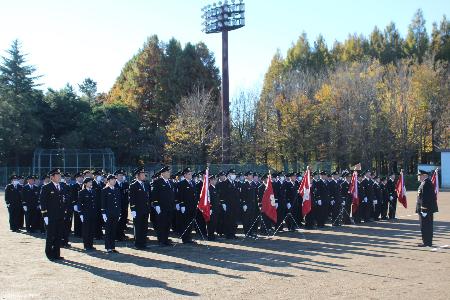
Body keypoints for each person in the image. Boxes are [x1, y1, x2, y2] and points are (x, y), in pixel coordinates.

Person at [40, 169, 66, 261]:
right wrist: (45, 215)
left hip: (59, 216)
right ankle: (49, 254)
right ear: (52, 177)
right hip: (50, 216)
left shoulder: (61, 186)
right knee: (50, 236)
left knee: (58, 236)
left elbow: (62, 201)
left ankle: (56, 254)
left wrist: (64, 213)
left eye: (60, 175)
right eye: (57, 175)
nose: (59, 177)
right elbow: (43, 202)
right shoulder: (46, 187)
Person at [151, 166, 176, 246]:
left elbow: (172, 195)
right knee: (161, 224)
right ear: (163, 173)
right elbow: (154, 195)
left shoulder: (170, 182)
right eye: (168, 172)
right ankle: (161, 240)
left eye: (169, 172)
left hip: (169, 207)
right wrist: (156, 204)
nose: (169, 173)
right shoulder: (157, 182)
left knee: (168, 224)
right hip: (161, 207)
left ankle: (165, 239)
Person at [129, 167, 151, 249]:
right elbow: (132, 199)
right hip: (138, 210)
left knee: (144, 227)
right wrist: (133, 210)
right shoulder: (133, 185)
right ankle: (138, 244)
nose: (144, 175)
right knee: (138, 227)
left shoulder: (145, 184)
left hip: (145, 209)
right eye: (142, 174)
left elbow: (148, 197)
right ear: (137, 175)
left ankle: (143, 243)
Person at [416, 169, 438, 247]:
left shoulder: (426, 184)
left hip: (425, 209)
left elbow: (426, 198)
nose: (418, 177)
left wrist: (423, 209)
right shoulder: (424, 183)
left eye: (419, 175)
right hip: (424, 209)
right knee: (425, 226)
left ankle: (427, 242)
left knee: (426, 226)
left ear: (424, 176)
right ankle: (426, 241)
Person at [101, 174, 121, 253]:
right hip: (108, 213)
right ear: (108, 181)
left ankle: (112, 246)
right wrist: (103, 213)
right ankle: (108, 247)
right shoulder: (104, 190)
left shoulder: (116, 189)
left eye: (115, 179)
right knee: (108, 230)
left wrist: (119, 213)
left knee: (113, 230)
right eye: (112, 179)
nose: (114, 181)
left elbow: (119, 202)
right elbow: (103, 203)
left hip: (115, 213)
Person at [177, 167, 197, 243]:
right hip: (185, 206)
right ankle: (185, 238)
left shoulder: (193, 183)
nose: (190, 175)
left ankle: (189, 237)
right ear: (185, 175)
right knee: (185, 223)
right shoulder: (181, 184)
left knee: (190, 223)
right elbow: (180, 195)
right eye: (189, 174)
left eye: (191, 173)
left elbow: (195, 194)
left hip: (192, 206)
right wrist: (182, 205)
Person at [78, 177, 97, 251]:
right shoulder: (82, 192)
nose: (91, 183)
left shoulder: (93, 191)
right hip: (85, 214)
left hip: (92, 213)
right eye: (89, 182)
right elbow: (80, 204)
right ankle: (86, 245)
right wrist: (81, 214)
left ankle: (91, 244)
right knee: (86, 230)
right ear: (85, 184)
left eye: (91, 182)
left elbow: (94, 203)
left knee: (92, 230)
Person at [114, 169, 129, 241]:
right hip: (117, 207)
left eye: (122, 175)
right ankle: (117, 236)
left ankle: (121, 233)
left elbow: (127, 195)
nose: (122, 176)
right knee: (117, 221)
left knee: (123, 220)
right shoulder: (114, 184)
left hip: (124, 206)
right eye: (120, 175)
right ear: (116, 176)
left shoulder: (125, 184)